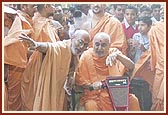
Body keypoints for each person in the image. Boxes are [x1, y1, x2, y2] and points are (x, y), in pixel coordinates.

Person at [18, 29, 90, 111]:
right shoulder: (62, 47)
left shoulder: (75, 55)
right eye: (80, 42)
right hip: (46, 89)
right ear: (72, 38)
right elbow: (49, 47)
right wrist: (36, 44)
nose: (81, 47)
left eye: (85, 45)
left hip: (58, 92)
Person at [75, 32, 140, 111]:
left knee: (133, 100)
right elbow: (79, 81)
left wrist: (118, 56)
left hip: (116, 93)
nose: (99, 48)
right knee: (90, 105)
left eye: (103, 45)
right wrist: (92, 86)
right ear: (92, 44)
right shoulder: (86, 55)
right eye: (97, 44)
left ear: (109, 46)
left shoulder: (114, 53)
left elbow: (131, 67)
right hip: (95, 95)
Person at [4, 4, 37, 111]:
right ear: (23, 6)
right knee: (14, 100)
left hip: (23, 66)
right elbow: (16, 48)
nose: (35, 9)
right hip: (14, 66)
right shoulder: (15, 18)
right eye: (33, 6)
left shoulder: (25, 20)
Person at [147, 5, 164, 111]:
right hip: (160, 67)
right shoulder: (156, 28)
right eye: (161, 9)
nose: (162, 11)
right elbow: (153, 50)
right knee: (157, 99)